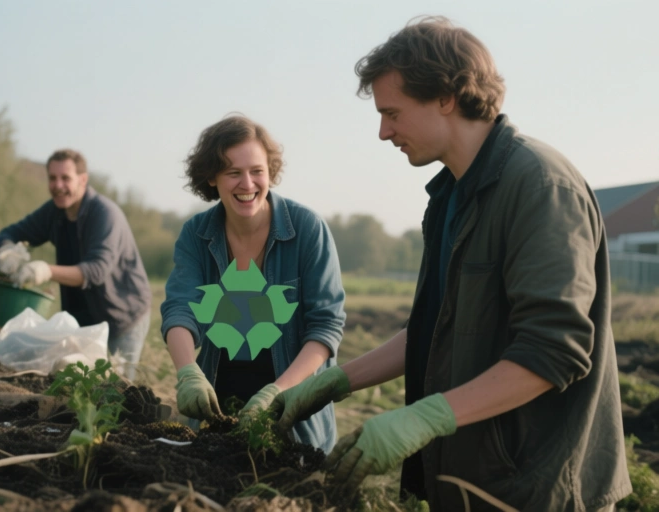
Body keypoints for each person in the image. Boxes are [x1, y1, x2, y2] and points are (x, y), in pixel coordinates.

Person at [268, 17, 631, 511]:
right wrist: (336, 381)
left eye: (392, 113)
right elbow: (436, 326)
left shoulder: (540, 187)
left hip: (537, 486)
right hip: (470, 479)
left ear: (446, 96)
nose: (382, 131)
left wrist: (424, 417)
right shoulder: (451, 196)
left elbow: (554, 352)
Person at [160, 115, 345, 452]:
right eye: (233, 172)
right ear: (212, 178)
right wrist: (188, 372)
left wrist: (278, 392)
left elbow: (326, 327)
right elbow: (180, 309)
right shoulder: (196, 235)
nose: (247, 184)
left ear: (270, 173)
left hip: (294, 418)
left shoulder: (307, 230)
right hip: (217, 416)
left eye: (257, 171)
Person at [0, 149, 152, 380]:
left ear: (83, 179)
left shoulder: (105, 215)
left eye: (65, 178)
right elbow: (11, 232)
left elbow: (95, 271)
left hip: (122, 315)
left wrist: (45, 270)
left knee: (117, 390)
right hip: (84, 318)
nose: (58, 185)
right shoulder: (54, 212)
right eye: (52, 178)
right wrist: (8, 250)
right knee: (82, 383)